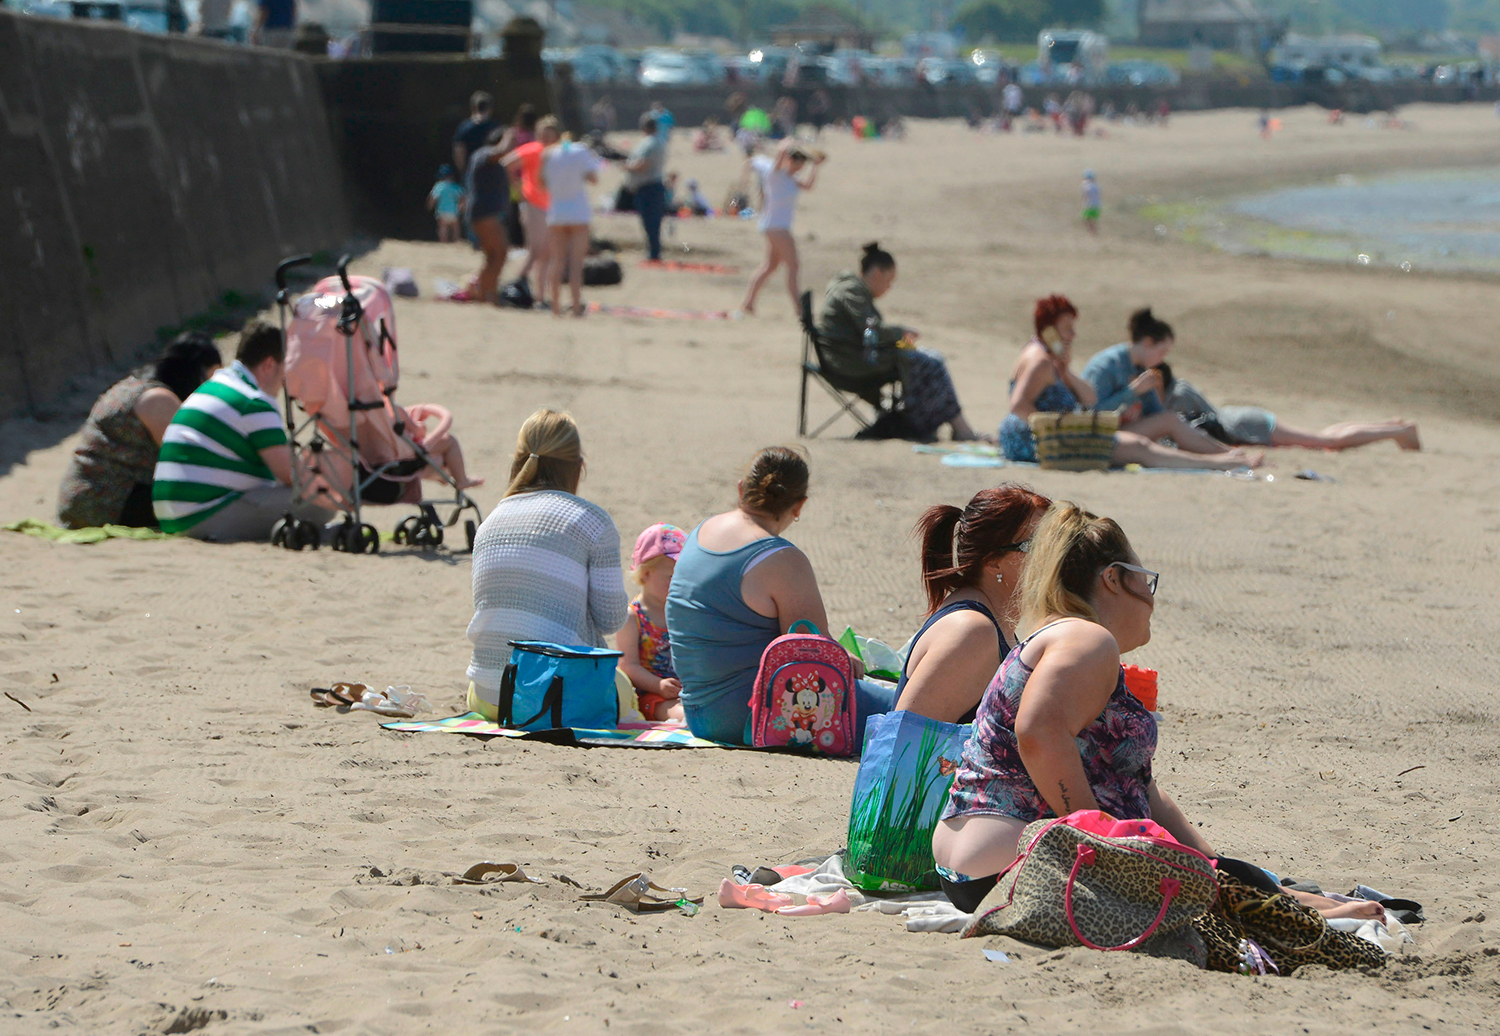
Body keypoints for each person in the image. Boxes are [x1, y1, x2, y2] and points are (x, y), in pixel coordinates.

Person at [931, 502, 1213, 912]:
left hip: (971, 868)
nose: (1150, 600)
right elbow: (1039, 732)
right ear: (1113, 578)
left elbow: (1142, 787)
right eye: (1145, 581)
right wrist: (1100, 843)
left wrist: (1213, 863)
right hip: (1018, 864)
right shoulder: (1088, 640)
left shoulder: (1051, 637)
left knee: (1239, 882)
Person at [665, 447, 895, 745]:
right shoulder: (782, 559)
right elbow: (813, 652)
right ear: (799, 506)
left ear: (741, 489)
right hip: (755, 715)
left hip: (697, 713)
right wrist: (853, 661)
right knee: (914, 710)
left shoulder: (700, 533)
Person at [465, 408, 628, 719]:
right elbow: (611, 620)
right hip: (554, 697)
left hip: (488, 693)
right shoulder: (592, 522)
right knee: (623, 690)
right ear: (578, 467)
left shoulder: (491, 522)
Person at [1000, 296, 1261, 472]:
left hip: (1044, 437)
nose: (1073, 334)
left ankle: (1225, 457)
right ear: (1049, 330)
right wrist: (1053, 428)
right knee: (1140, 448)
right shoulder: (1041, 361)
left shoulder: (1049, 360)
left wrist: (1066, 372)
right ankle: (1219, 463)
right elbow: (1018, 405)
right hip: (1039, 441)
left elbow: (1088, 398)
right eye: (1067, 328)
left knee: (1150, 438)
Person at [151, 321, 334, 541]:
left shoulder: (216, 387)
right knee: (322, 503)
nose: (285, 382)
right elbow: (291, 475)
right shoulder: (253, 401)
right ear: (269, 365)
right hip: (202, 516)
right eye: (285, 370)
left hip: (171, 515)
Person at [894, 484, 1051, 725]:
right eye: (1038, 546)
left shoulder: (991, 621)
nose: (1055, 556)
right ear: (993, 563)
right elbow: (902, 743)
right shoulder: (971, 632)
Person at [816, 242, 985, 442]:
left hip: (851, 356)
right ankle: (949, 426)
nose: (889, 287)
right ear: (877, 273)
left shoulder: (852, 290)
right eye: (889, 280)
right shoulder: (851, 291)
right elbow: (871, 330)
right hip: (849, 362)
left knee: (930, 358)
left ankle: (954, 425)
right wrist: (900, 333)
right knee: (931, 363)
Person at [57, 333, 223, 530]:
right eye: (211, 378)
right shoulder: (159, 401)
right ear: (195, 372)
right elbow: (194, 462)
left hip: (80, 502)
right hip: (105, 505)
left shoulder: (132, 386)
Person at [1082, 307, 1271, 462]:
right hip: (1095, 433)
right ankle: (1230, 456)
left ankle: (1229, 454)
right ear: (1147, 342)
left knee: (1171, 420)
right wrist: (1132, 392)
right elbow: (1090, 412)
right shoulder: (1107, 365)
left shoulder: (1140, 368)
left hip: (1123, 430)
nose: (1161, 360)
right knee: (1169, 421)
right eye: (1162, 351)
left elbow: (1158, 414)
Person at [1159, 363, 1421, 452]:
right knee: (1323, 438)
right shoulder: (1179, 389)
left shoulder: (1177, 394)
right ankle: (1394, 426)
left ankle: (1398, 431)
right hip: (1246, 420)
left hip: (1248, 425)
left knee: (1327, 442)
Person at [739, 141, 823, 317]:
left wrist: (816, 167)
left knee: (769, 266)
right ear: (791, 160)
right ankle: (799, 309)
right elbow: (780, 152)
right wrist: (790, 143)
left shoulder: (792, 178)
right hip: (777, 227)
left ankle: (748, 303)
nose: (801, 166)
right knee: (793, 266)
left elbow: (808, 186)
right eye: (799, 162)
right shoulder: (775, 173)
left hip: (775, 225)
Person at [615, 523, 688, 722]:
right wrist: (659, 686)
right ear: (646, 574)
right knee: (682, 714)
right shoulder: (632, 617)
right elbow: (628, 666)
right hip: (650, 693)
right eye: (673, 577)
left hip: (686, 689)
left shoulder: (685, 612)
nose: (680, 583)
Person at [541, 131, 604, 317]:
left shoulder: (548, 154)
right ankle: (576, 307)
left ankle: (555, 308)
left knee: (557, 261)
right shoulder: (581, 151)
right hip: (578, 212)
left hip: (557, 212)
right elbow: (594, 179)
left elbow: (541, 181)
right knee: (576, 264)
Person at [502, 115, 561, 305]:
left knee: (546, 253)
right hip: (532, 203)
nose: (546, 138)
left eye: (550, 134)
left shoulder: (556, 153)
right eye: (543, 134)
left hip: (550, 205)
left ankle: (540, 296)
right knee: (536, 249)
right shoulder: (533, 149)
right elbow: (506, 164)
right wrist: (518, 188)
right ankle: (517, 281)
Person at [464, 128, 511, 304]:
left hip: (482, 212)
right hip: (485, 213)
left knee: (492, 256)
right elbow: (501, 151)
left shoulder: (481, 156)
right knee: (500, 253)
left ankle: (485, 294)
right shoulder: (485, 154)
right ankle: (489, 295)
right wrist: (508, 137)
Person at [624, 115, 668, 262]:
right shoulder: (658, 142)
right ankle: (653, 252)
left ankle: (654, 254)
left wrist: (626, 166)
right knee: (651, 223)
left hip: (649, 187)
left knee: (651, 223)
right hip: (650, 187)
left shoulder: (650, 143)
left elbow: (643, 165)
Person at [453, 91, 497, 177]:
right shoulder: (495, 127)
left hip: (472, 172)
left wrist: (463, 171)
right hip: (493, 173)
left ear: (473, 107)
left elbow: (459, 151)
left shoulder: (464, 128)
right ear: (490, 108)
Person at [427, 164, 464, 243]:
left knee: (443, 228)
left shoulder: (439, 186)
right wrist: (462, 207)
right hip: (454, 212)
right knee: (456, 228)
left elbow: (433, 198)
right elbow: (463, 197)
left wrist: (430, 206)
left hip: (442, 212)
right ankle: (456, 241)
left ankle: (444, 242)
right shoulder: (456, 186)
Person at [1081, 170, 1100, 235]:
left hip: (1089, 205)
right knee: (1093, 221)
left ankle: (1092, 233)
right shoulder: (1096, 186)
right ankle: (1094, 233)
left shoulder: (1086, 185)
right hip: (1097, 205)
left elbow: (1085, 195)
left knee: (1086, 220)